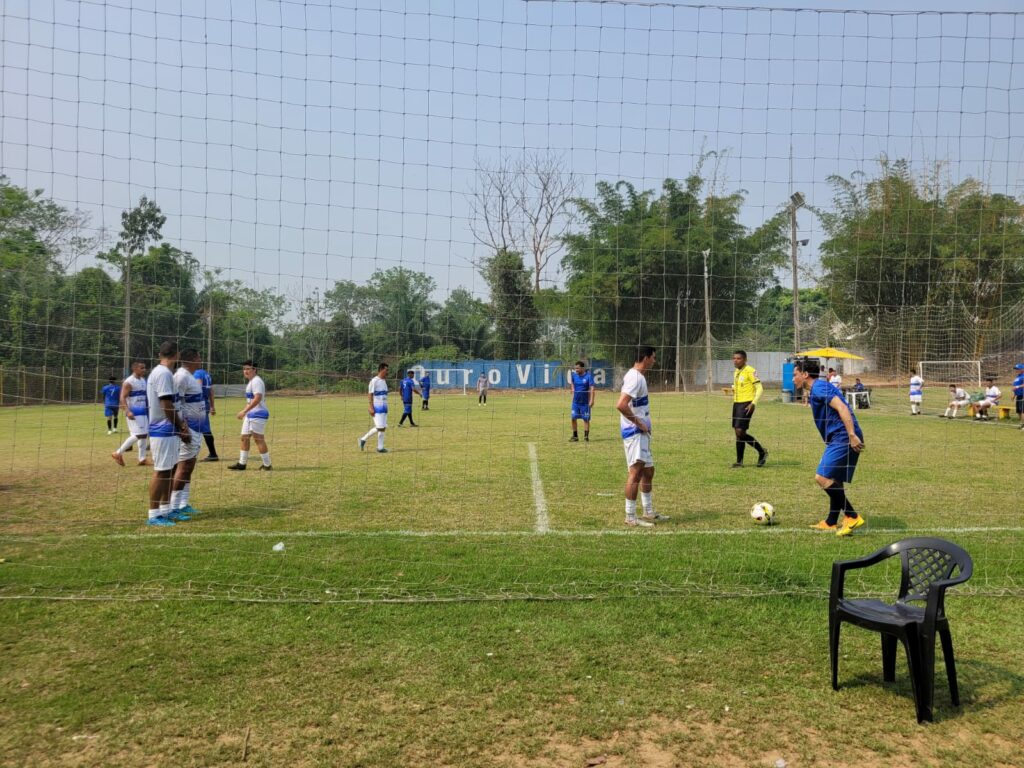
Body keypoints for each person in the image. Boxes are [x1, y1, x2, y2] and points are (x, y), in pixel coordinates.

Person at [792, 359, 866, 537]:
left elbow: (842, 407)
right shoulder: (818, 388)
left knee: (822, 477)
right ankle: (831, 522)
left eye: (795, 374)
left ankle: (852, 516)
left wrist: (851, 435)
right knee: (834, 478)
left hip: (844, 437)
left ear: (805, 374)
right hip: (838, 437)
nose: (793, 379)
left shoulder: (819, 388)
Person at [616, 346, 669, 528]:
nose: (655, 361)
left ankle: (648, 512)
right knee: (635, 472)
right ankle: (630, 516)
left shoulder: (639, 377)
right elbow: (621, 405)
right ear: (645, 358)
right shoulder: (634, 377)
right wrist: (639, 424)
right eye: (653, 357)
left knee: (649, 471)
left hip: (642, 433)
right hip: (635, 433)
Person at [145, 341, 189, 527]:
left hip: (168, 428)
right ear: (177, 355)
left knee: (170, 470)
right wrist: (180, 427)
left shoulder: (164, 372)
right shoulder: (163, 373)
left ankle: (166, 510)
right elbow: (166, 405)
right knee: (162, 471)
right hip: (162, 429)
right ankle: (154, 514)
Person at [170, 349, 206, 519]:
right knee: (183, 466)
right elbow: (175, 403)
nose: (200, 359)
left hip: (197, 427)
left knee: (189, 466)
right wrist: (182, 427)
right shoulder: (181, 376)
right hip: (189, 428)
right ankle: (173, 507)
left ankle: (183, 504)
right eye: (198, 356)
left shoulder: (190, 376)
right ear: (192, 359)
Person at [228, 360, 272, 470]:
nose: (245, 371)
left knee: (258, 439)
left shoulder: (257, 381)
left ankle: (267, 465)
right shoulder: (251, 382)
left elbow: (257, 398)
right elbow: (250, 400)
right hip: (250, 414)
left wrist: (244, 411)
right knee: (244, 438)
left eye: (248, 369)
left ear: (254, 370)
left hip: (259, 413)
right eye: (244, 369)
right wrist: (245, 411)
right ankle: (242, 464)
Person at [730, 350, 767, 467]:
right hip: (736, 404)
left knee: (740, 431)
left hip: (747, 404)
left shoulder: (750, 370)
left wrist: (753, 403)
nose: (735, 360)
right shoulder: (736, 371)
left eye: (738, 358)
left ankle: (762, 452)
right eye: (734, 358)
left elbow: (760, 388)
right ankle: (739, 462)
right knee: (738, 433)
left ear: (744, 360)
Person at [111, 361, 150, 467]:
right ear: (135, 369)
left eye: (144, 368)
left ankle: (142, 459)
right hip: (134, 411)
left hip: (143, 411)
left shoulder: (143, 380)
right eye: (142, 368)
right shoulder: (129, 382)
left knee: (143, 435)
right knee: (139, 434)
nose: (144, 370)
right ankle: (118, 453)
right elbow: (122, 397)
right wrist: (127, 411)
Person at [359, 363, 390, 453]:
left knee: (383, 428)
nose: (387, 372)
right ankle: (363, 439)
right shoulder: (374, 381)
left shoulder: (384, 381)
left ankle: (380, 447)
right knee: (380, 427)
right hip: (377, 407)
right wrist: (371, 407)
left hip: (384, 407)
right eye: (386, 370)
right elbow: (370, 394)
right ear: (381, 370)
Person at [193, 363, 219, 461]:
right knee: (204, 428)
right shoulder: (206, 374)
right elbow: (211, 391)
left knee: (198, 429)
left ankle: (212, 454)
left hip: (199, 404)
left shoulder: (196, 374)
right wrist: (212, 406)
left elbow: (197, 389)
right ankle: (212, 454)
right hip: (205, 403)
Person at [568, 361, 595, 442]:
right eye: (575, 368)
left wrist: (592, 400)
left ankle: (586, 437)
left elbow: (592, 389)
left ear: (582, 368)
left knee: (586, 419)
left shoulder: (588, 377)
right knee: (573, 418)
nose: (576, 369)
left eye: (577, 368)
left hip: (585, 403)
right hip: (575, 402)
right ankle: (575, 436)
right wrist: (572, 389)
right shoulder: (574, 376)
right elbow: (572, 383)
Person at [1012, 364, 1024, 430]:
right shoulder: (1017, 377)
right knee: (1019, 411)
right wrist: (1014, 395)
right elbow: (1015, 387)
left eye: (1018, 369)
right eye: (1016, 369)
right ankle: (1021, 424)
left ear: (1022, 369)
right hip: (1018, 396)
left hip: (1023, 395)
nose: (1016, 370)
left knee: (1023, 411)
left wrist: (1017, 387)